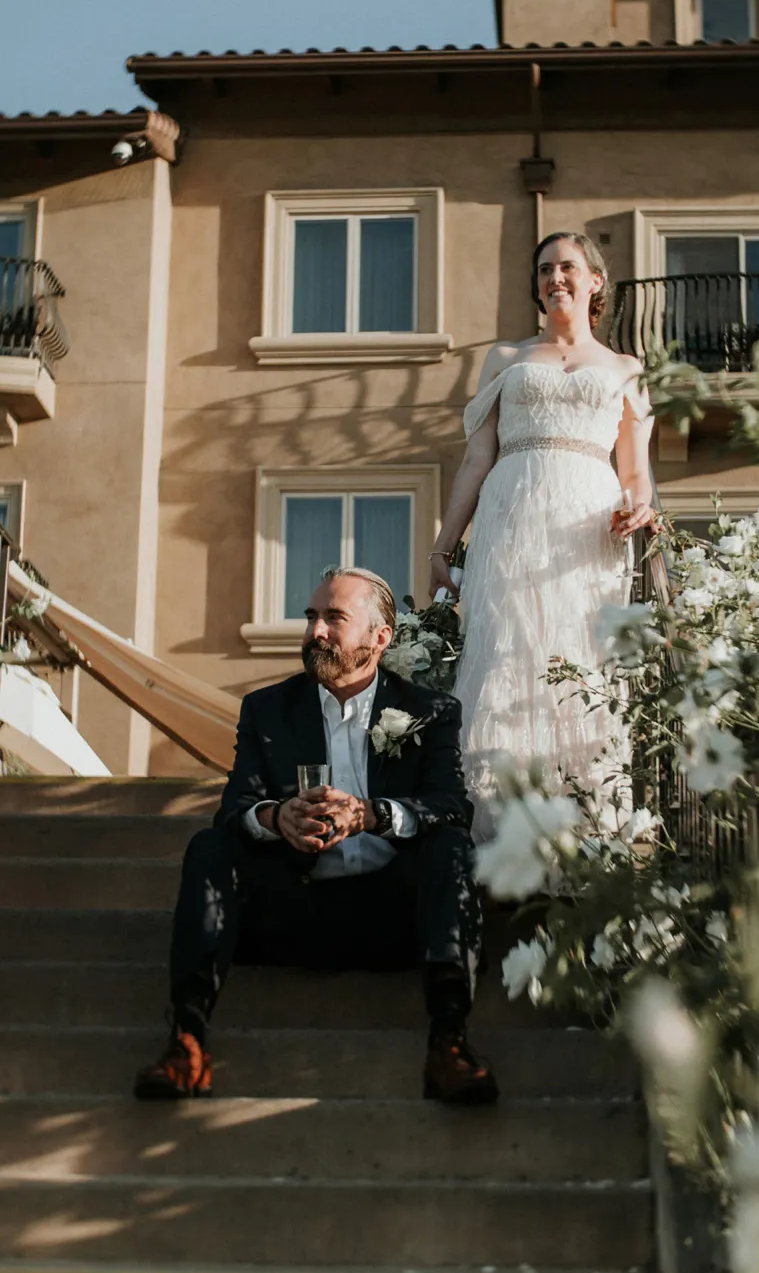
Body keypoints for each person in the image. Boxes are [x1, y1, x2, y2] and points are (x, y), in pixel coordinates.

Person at [134, 566, 497, 1105]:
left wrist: (373, 815)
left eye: (334, 618)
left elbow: (449, 808)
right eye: (311, 618)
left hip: (395, 918)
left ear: (380, 638)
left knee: (451, 848)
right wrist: (273, 818)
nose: (315, 632)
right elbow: (234, 808)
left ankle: (450, 1042)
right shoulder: (267, 709)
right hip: (293, 912)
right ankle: (186, 1040)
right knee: (209, 848)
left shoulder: (429, 711)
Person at [432, 232, 655, 842]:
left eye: (567, 267)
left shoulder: (626, 369)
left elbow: (635, 473)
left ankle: (582, 830)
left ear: (595, 282)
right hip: (510, 519)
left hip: (587, 528)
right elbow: (477, 458)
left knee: (581, 662)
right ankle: (502, 833)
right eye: (544, 269)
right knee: (508, 654)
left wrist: (641, 510)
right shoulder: (505, 358)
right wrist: (444, 548)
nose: (555, 277)